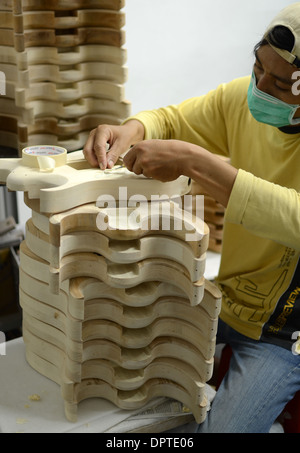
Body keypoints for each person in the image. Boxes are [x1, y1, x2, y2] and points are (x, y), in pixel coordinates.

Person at [83, 3, 300, 433]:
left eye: (279, 83)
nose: (259, 88)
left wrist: (197, 163)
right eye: (257, 69)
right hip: (228, 299)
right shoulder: (243, 99)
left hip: (285, 332)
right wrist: (132, 128)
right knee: (112, 361)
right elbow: (171, 119)